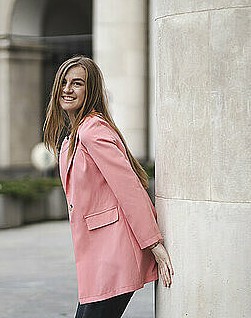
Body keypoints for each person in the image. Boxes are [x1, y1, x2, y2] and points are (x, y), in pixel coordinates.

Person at [43, 56, 174, 318]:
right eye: (64, 82)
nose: (67, 89)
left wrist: (154, 244)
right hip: (98, 256)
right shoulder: (73, 137)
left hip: (113, 254)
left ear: (90, 91)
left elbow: (130, 189)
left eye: (77, 83)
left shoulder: (93, 130)